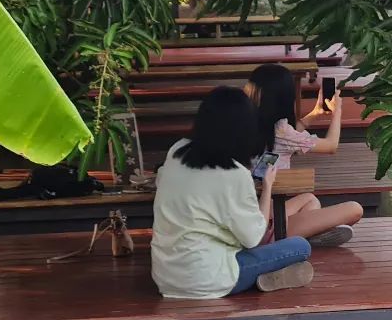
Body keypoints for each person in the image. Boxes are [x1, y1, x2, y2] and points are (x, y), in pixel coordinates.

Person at [151, 86, 313, 299]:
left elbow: (162, 180)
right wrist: (267, 188)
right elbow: (254, 238)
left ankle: (266, 278)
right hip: (209, 279)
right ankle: (262, 277)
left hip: (166, 277)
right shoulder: (233, 174)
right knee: (300, 246)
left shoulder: (177, 150)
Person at [246, 62, 363, 248]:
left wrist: (314, 114)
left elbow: (286, 139)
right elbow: (331, 146)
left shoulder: (251, 123)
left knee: (310, 199)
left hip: (254, 218)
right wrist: (338, 111)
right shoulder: (281, 131)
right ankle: (304, 237)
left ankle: (309, 235)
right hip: (265, 228)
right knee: (355, 209)